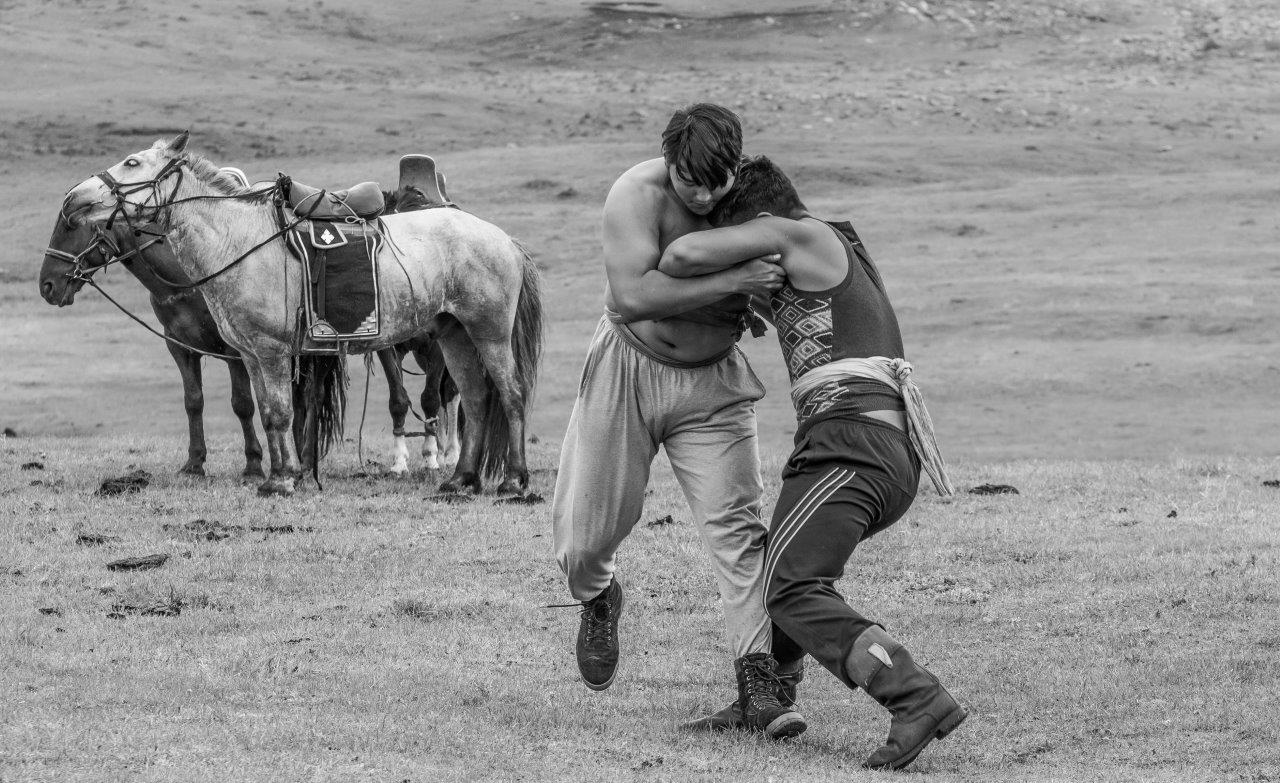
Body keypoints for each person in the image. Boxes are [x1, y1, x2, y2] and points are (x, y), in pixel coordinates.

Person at [657, 155, 967, 770]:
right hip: (849, 444)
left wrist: (729, 266)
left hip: (855, 445)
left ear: (760, 221)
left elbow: (682, 258)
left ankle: (915, 695)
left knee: (791, 585)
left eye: (736, 233)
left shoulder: (802, 234)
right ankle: (768, 693)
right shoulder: (819, 259)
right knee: (783, 563)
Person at [551, 104, 806, 739]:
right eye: (688, 180)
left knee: (738, 532)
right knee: (584, 537)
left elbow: (795, 272)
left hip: (714, 384)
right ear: (669, 164)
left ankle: (760, 685)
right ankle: (599, 595)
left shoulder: (756, 201)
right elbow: (633, 296)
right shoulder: (636, 193)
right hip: (627, 369)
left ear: (735, 167)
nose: (701, 194)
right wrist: (737, 277)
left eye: (714, 183)